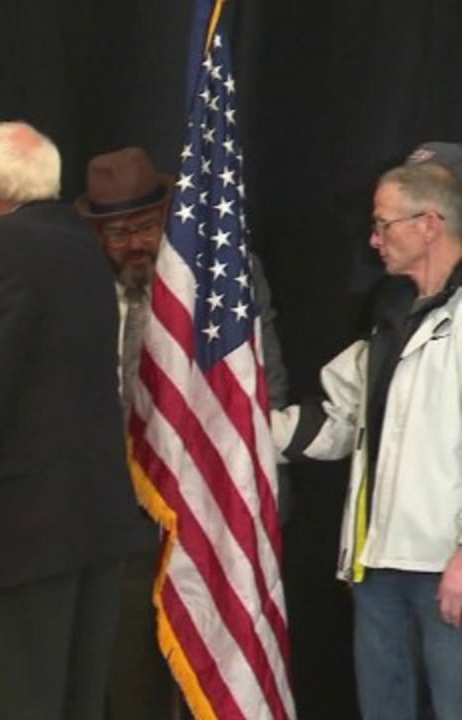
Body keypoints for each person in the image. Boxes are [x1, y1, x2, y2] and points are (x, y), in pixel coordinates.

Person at [0, 121, 151, 720]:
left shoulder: (3, 246)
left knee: (12, 700)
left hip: (26, 532)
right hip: (94, 522)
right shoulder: (81, 245)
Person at [71, 146, 290, 719]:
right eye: (117, 233)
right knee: (129, 680)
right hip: (121, 516)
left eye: (144, 227)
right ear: (98, 236)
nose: (134, 244)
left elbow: (266, 389)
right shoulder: (86, 294)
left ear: (168, 218)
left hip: (212, 505)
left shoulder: (221, 282)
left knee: (216, 679)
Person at [272, 153, 462, 720]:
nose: (374, 240)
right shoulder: (389, 317)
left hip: (443, 570)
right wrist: (236, 435)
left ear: (429, 224)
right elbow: (335, 419)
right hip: (376, 564)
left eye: (383, 224)